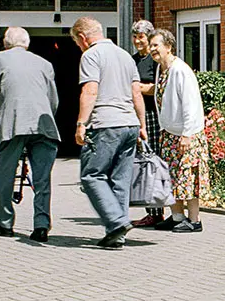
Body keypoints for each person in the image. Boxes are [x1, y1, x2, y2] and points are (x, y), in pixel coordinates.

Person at [0, 26, 60, 243]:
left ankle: (6, 223)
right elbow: (53, 101)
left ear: (5, 43)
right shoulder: (45, 64)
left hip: (14, 125)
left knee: (6, 176)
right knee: (42, 179)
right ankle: (41, 224)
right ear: (27, 44)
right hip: (44, 126)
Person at [71, 16, 147, 248]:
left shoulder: (91, 55)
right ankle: (117, 235)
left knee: (91, 175)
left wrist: (81, 123)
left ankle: (116, 222)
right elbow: (136, 92)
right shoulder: (125, 55)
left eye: (77, 42)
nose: (79, 46)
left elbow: (90, 91)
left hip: (106, 124)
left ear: (83, 38)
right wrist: (142, 124)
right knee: (120, 181)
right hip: (130, 124)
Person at [149, 28, 210, 233]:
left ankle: (194, 220)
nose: (152, 49)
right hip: (169, 132)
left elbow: (191, 104)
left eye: (156, 45)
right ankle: (177, 217)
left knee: (188, 176)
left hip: (186, 133)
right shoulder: (161, 69)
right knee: (171, 177)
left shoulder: (180, 70)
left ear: (168, 46)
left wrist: (187, 134)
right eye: (151, 46)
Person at [128, 20, 167, 229]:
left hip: (152, 115)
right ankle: (152, 211)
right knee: (141, 161)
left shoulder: (154, 61)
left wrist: (137, 88)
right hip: (134, 115)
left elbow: (156, 88)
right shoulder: (132, 60)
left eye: (141, 37)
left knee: (152, 159)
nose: (137, 41)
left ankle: (157, 211)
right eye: (135, 37)